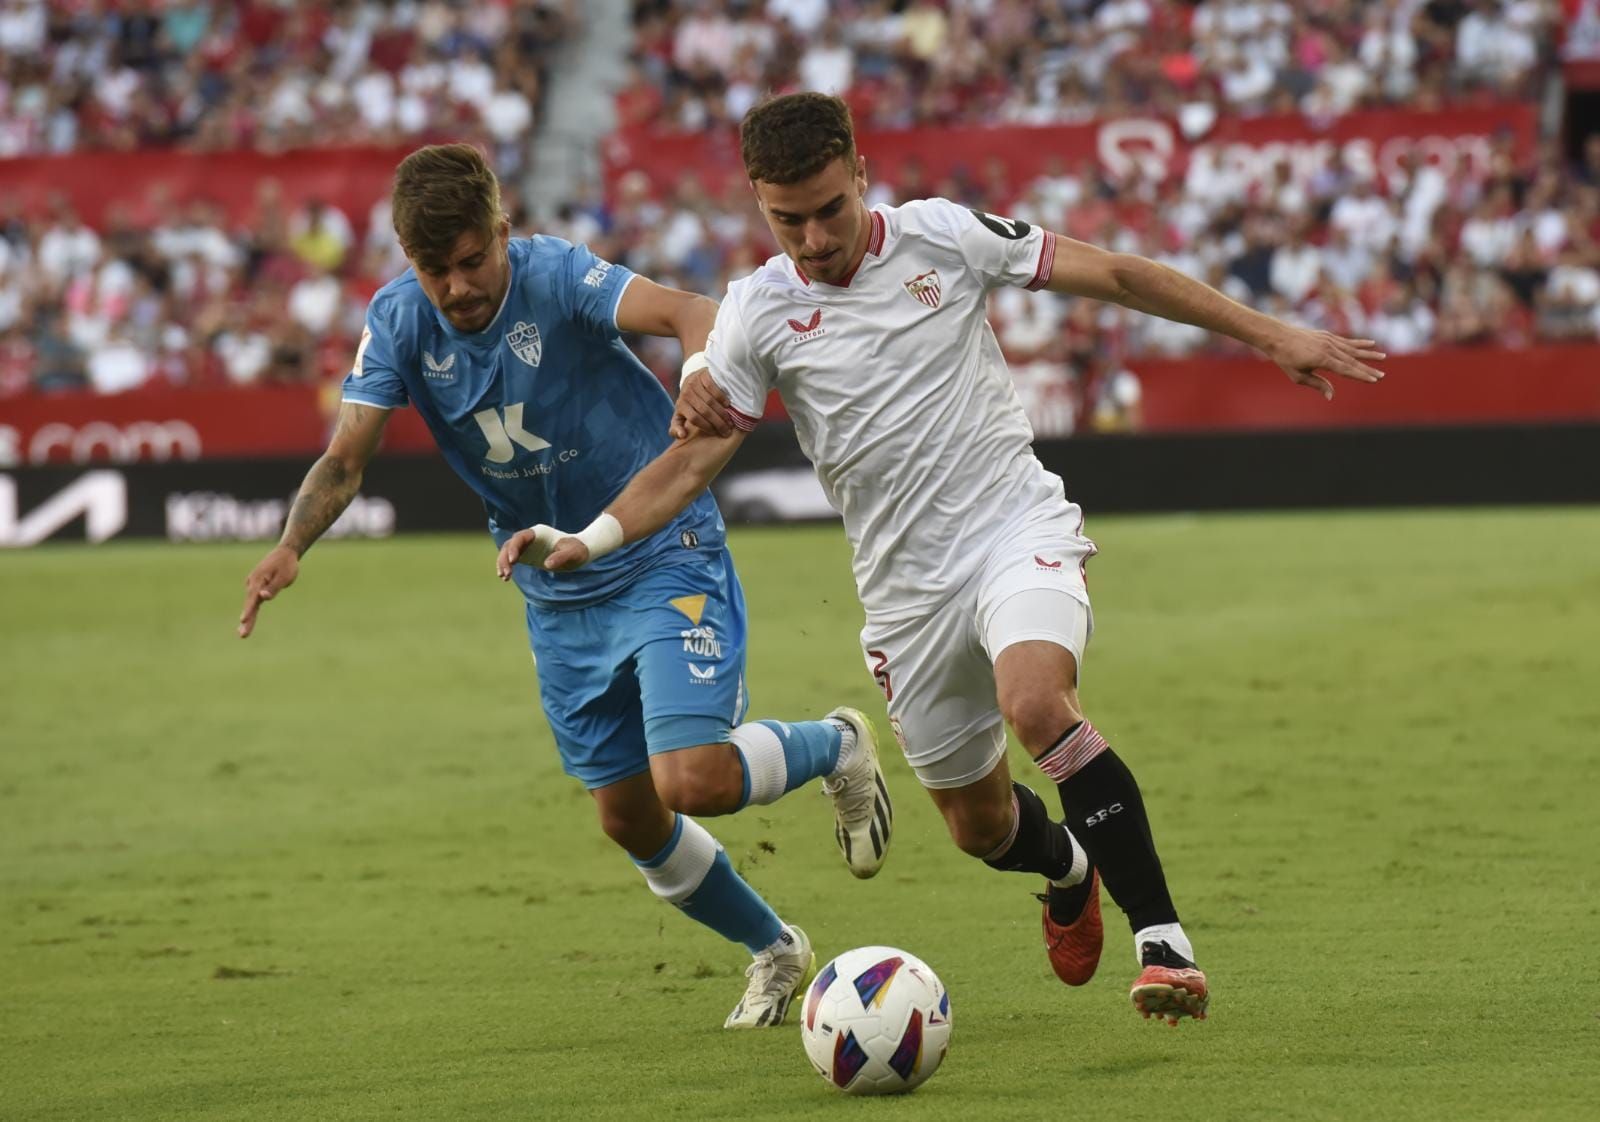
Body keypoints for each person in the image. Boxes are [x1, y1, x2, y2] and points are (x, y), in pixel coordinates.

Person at [498, 95, 1388, 1025]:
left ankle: (1162, 942)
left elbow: (1118, 275)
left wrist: (1272, 334)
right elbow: (689, 463)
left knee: (1038, 702)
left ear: (862, 175)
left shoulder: (943, 238)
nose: (811, 237)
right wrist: (588, 538)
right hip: (906, 596)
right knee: (980, 827)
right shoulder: (758, 312)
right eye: (785, 218)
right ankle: (1065, 868)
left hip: (1014, 529)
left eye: (829, 208)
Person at [237, 143, 894, 1029]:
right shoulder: (396, 322)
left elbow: (695, 311)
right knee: (628, 817)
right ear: (408, 260)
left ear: (502, 232)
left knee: (689, 780)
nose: (460, 287)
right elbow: (345, 459)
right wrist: (290, 547)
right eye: (437, 271)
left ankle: (838, 747)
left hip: (660, 544)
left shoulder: (555, 276)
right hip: (555, 587)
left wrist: (699, 375)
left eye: (474, 261)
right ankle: (775, 950)